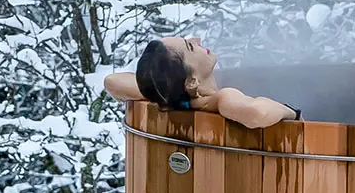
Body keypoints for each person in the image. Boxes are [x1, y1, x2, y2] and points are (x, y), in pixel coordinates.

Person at [103, 36, 299, 129]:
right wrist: (292, 113)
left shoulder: (176, 97)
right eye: (190, 46)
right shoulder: (223, 98)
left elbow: (112, 82)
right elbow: (256, 114)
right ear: (191, 81)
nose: (197, 39)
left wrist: (171, 96)